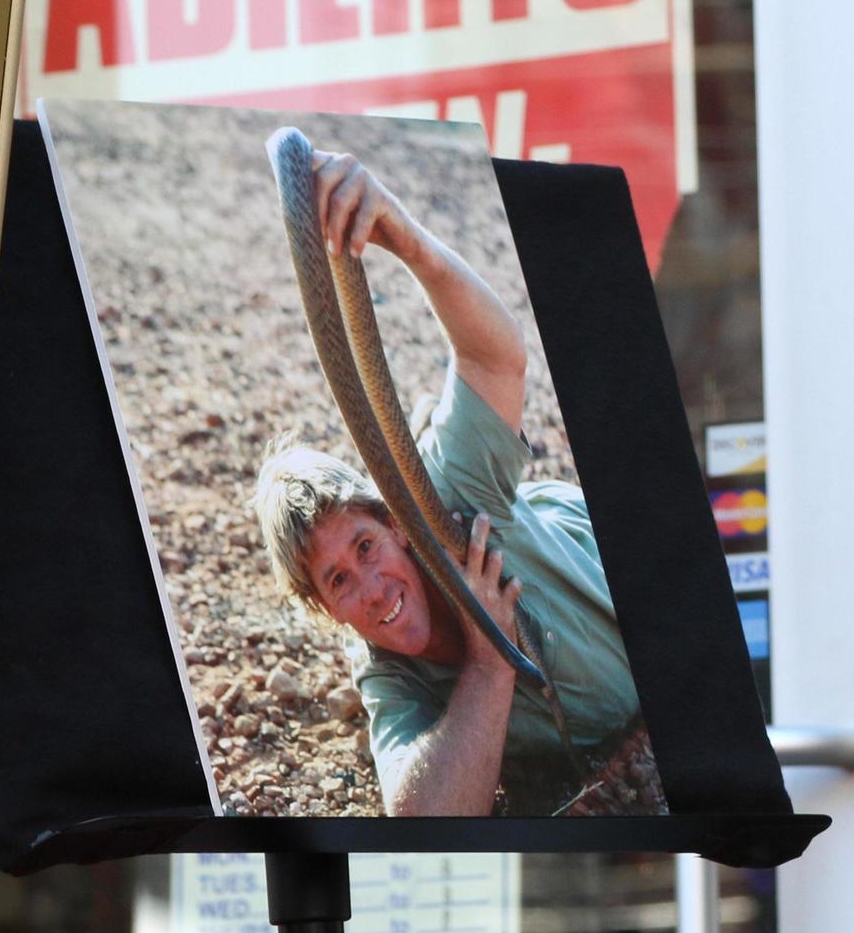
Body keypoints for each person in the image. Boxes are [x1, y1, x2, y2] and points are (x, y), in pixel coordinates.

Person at [253, 150, 647, 816]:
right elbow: (424, 818)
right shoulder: (387, 674)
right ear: (326, 611)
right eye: (338, 581)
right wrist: (488, 661)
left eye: (365, 547)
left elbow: (495, 357)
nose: (371, 589)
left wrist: (406, 240)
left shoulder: (438, 489)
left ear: (396, 527)